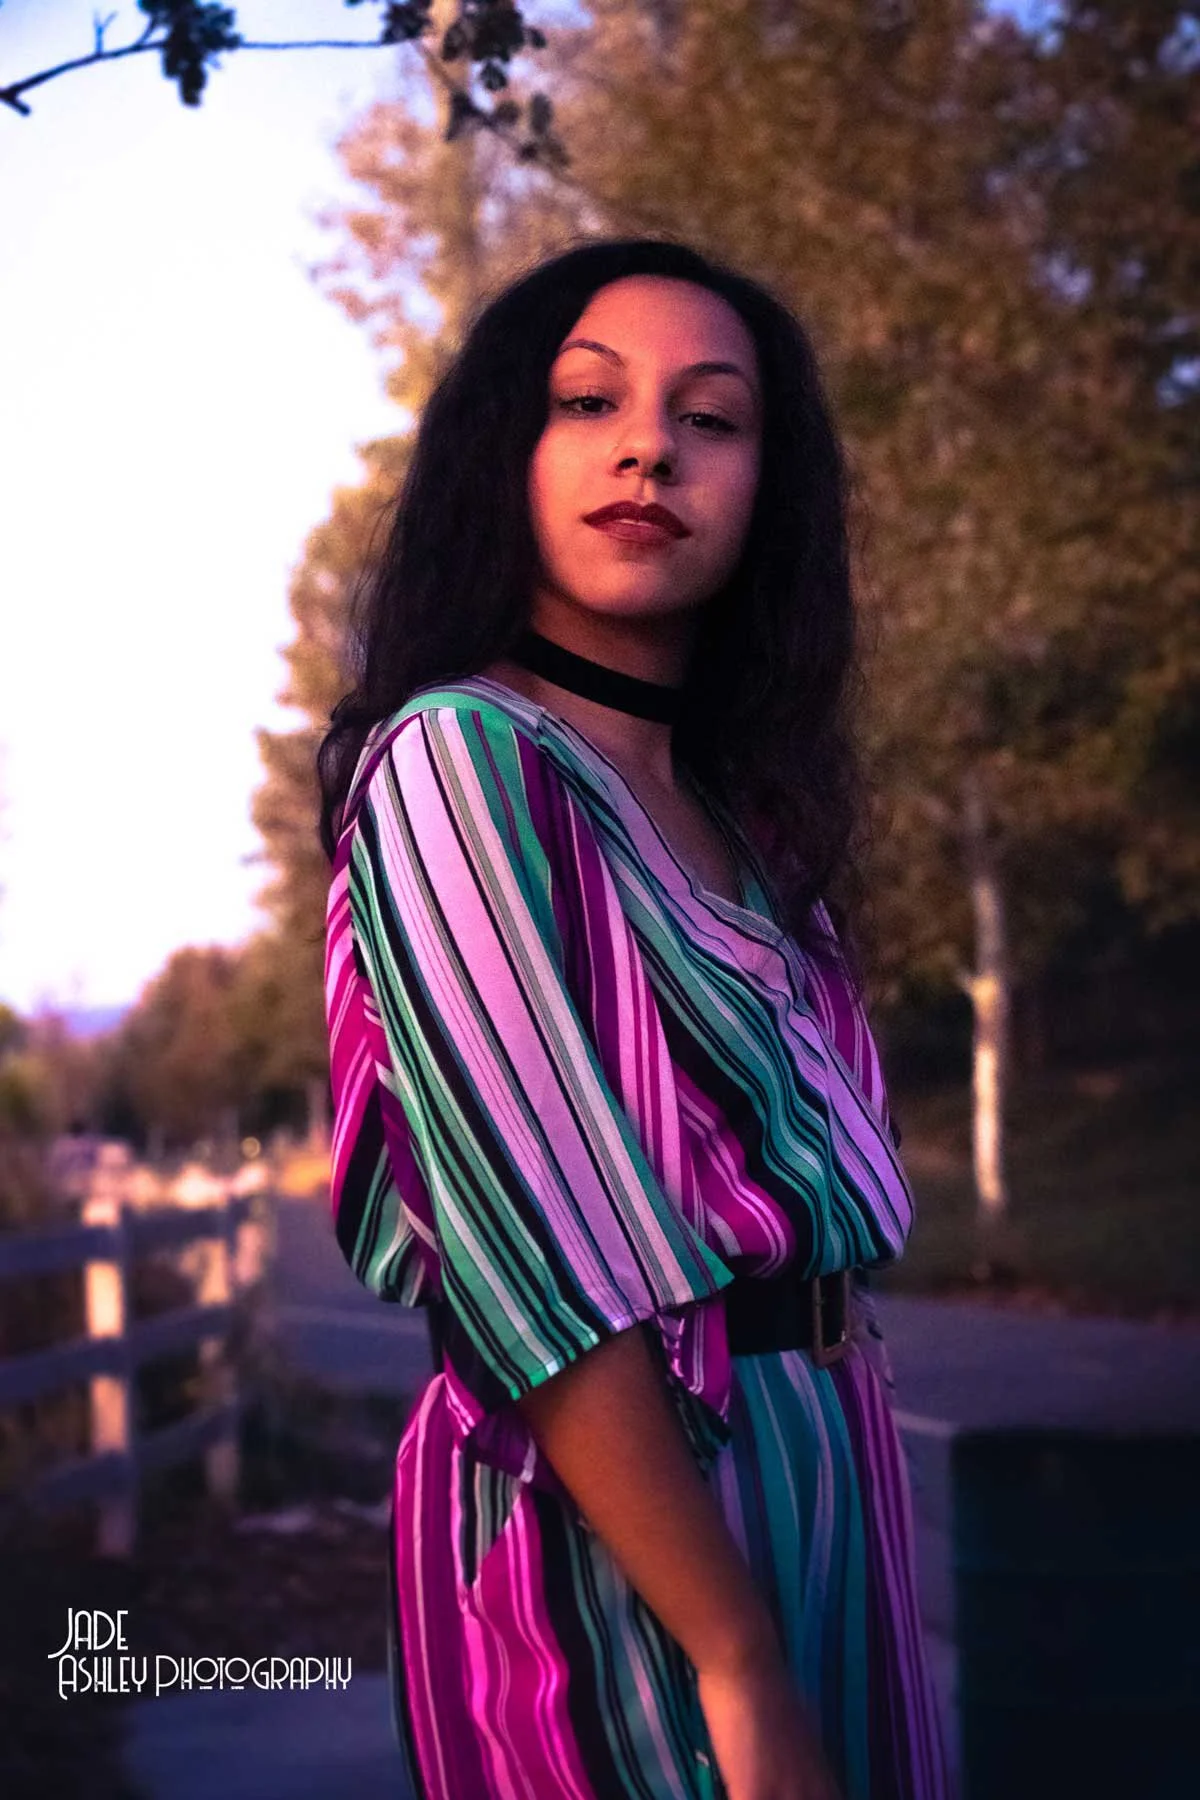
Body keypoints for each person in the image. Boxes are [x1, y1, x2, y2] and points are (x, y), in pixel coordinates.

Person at [318, 237, 953, 1800]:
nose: (648, 445)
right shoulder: (467, 763)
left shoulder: (758, 825)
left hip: (826, 1486)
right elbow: (538, 1267)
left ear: (767, 491)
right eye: (586, 399)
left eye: (712, 418)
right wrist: (737, 1660)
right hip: (620, 1537)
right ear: (505, 456)